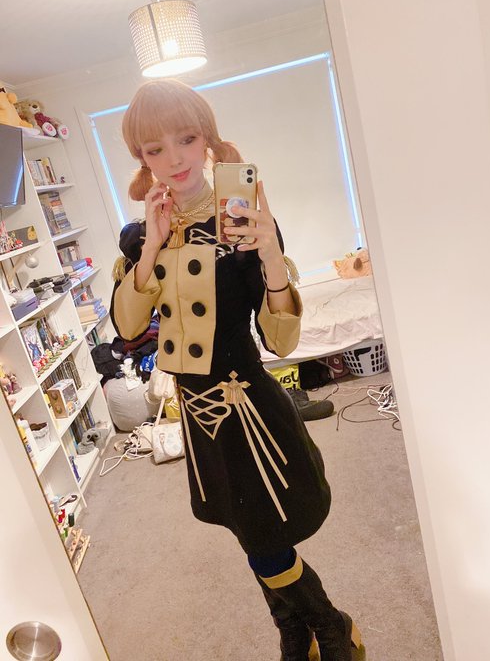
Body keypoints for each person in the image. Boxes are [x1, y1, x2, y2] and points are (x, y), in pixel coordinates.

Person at [111, 79, 362, 661]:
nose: (174, 159)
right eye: (154, 149)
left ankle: (331, 625)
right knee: (249, 530)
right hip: (197, 415)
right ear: (141, 159)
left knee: (267, 537)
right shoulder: (139, 236)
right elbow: (127, 329)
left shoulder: (243, 224)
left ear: (208, 140)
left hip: (246, 404)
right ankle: (295, 632)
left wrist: (270, 253)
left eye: (186, 139)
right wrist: (150, 248)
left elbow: (280, 338)